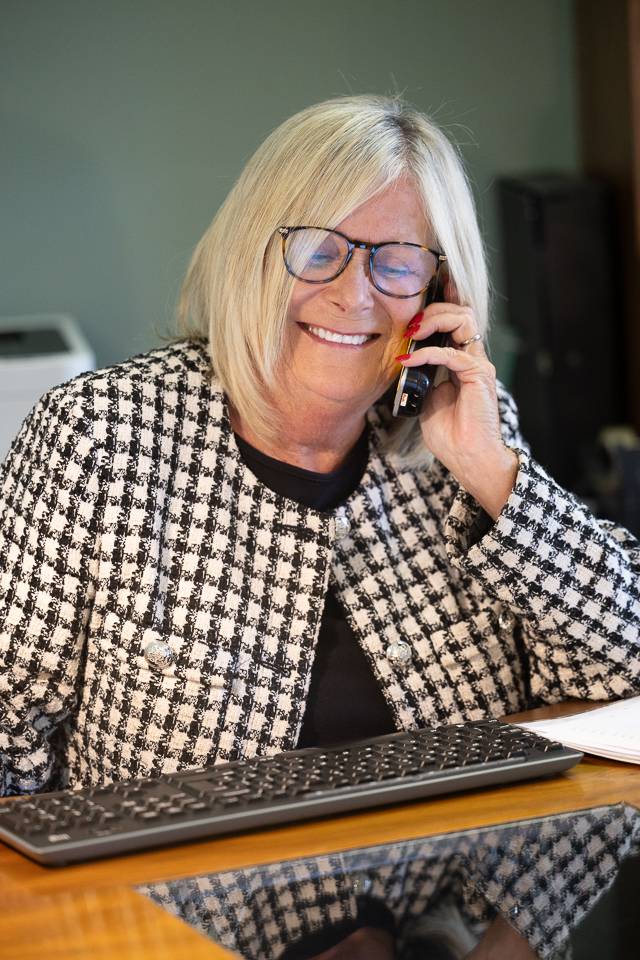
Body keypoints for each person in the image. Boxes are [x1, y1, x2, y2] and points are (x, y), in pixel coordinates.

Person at [0, 94, 638, 798]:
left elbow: (620, 678)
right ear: (252, 257)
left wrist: (493, 471)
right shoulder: (101, 435)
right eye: (318, 250)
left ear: (439, 290)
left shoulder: (469, 434)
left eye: (395, 262)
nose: (352, 293)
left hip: (448, 892)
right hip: (178, 904)